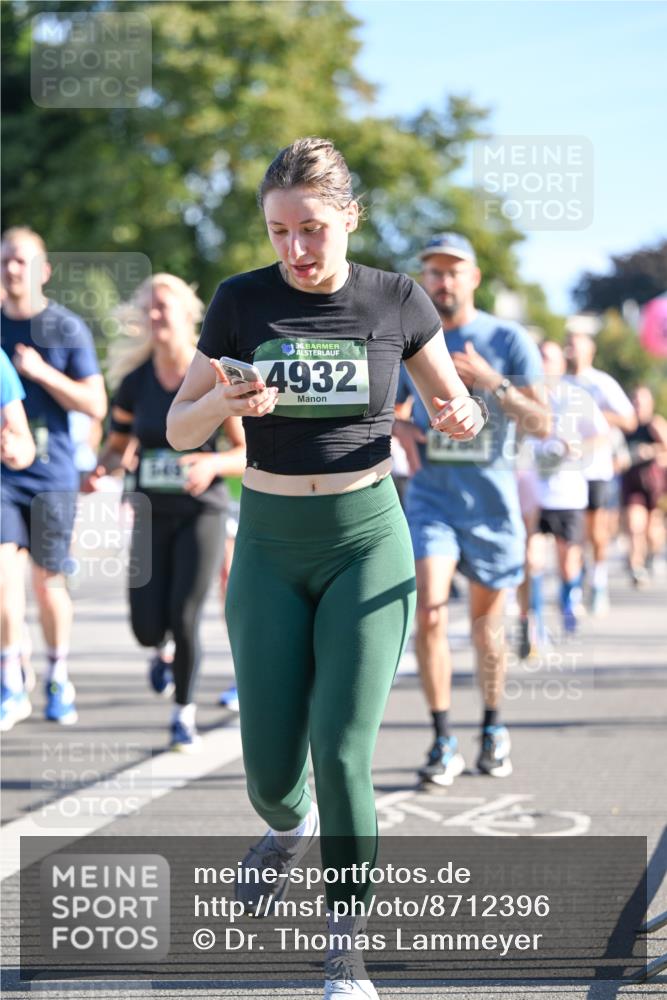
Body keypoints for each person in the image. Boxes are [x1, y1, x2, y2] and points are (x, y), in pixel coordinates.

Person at [166, 137, 479, 1000]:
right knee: (271, 772)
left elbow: (452, 403)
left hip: (365, 537)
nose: (296, 249)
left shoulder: (396, 298)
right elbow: (179, 429)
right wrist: (222, 399)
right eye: (279, 232)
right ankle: (286, 826)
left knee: (342, 753)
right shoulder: (239, 301)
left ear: (348, 218)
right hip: (269, 542)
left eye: (312, 229)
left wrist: (459, 414)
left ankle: (346, 948)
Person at [393, 233, 549, 787]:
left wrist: (492, 383)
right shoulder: (411, 335)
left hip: (491, 503)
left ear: (473, 278)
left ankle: (491, 726)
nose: (442, 281)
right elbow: (391, 408)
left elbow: (543, 424)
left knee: (488, 628)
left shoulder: (506, 338)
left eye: (453, 271)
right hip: (432, 498)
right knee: (430, 612)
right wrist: (400, 428)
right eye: (433, 272)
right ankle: (442, 737)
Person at [86, 274, 246, 751]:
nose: (155, 315)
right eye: (149, 307)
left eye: (164, 306)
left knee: (186, 611)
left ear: (188, 314)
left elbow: (245, 452)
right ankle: (162, 649)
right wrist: (103, 468)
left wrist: (211, 463)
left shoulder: (211, 376)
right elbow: (117, 446)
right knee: (146, 627)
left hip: (203, 511)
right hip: (150, 512)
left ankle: (183, 713)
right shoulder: (135, 383)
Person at [0, 227, 106, 731]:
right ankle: (11, 677)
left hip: (52, 472)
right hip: (3, 473)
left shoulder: (65, 328)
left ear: (43, 271)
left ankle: (58, 675)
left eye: (21, 261)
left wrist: (41, 373)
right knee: (2, 575)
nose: (11, 269)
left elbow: (95, 404)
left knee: (47, 584)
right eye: (4, 260)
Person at [520, 341, 608, 639]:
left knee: (568, 563)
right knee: (532, 560)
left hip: (568, 493)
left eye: (549, 358)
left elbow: (601, 435)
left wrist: (577, 448)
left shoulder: (577, 397)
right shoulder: (523, 396)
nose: (543, 363)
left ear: (560, 365)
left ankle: (569, 602)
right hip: (533, 493)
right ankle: (534, 626)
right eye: (539, 357)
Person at [565, 321, 637, 614]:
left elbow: (630, 420)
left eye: (576, 345)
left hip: (596, 468)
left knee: (596, 533)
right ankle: (573, 588)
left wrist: (600, 415)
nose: (571, 350)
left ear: (590, 350)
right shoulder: (559, 382)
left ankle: (598, 582)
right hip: (566, 471)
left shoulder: (602, 383)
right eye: (568, 344)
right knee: (572, 534)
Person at [621, 385, 667, 586]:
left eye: (641, 402)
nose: (637, 406)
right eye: (635, 402)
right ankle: (636, 567)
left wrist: (650, 451)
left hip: (655, 484)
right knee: (634, 525)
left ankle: (651, 556)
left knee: (652, 531)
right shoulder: (627, 425)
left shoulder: (654, 424)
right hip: (632, 482)